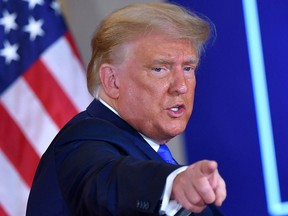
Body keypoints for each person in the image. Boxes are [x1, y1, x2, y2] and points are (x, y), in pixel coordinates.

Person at [26, 2, 226, 216]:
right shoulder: (82, 142)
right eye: (159, 69)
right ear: (112, 81)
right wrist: (171, 184)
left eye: (187, 68)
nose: (181, 86)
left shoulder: (149, 151)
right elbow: (109, 179)